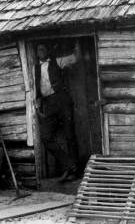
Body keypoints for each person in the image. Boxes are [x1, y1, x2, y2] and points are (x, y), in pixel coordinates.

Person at [34, 41, 81, 182]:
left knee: (69, 135)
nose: (40, 51)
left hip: (62, 100)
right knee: (46, 137)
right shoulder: (34, 68)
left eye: (43, 48)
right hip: (48, 103)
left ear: (47, 50)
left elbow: (75, 58)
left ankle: (75, 172)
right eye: (38, 49)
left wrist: (78, 43)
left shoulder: (57, 61)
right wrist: (37, 105)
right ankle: (69, 164)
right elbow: (33, 87)